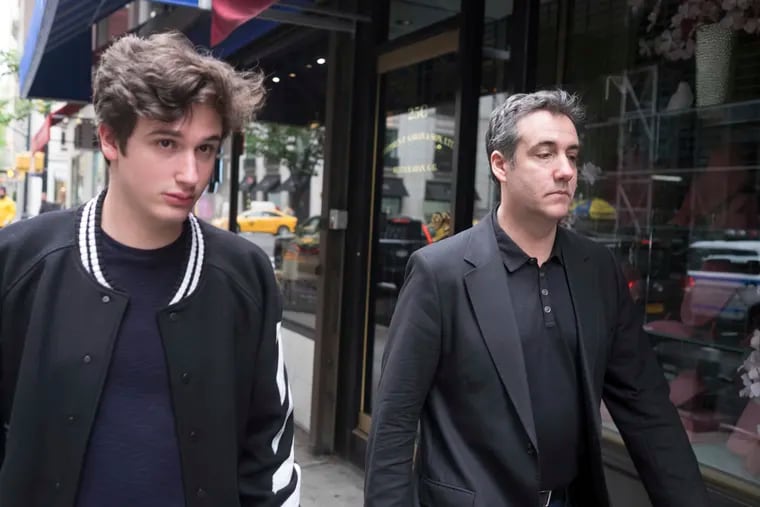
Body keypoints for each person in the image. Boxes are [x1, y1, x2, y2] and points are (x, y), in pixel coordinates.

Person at [364, 90, 710, 507]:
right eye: (545, 154)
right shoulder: (441, 273)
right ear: (500, 165)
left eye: (572, 155)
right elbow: (394, 424)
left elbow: (649, 410)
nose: (565, 170)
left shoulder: (597, 270)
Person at [0, 32, 300, 507]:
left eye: (205, 149)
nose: (191, 173)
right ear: (109, 139)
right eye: (166, 142)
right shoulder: (19, 261)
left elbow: (269, 447)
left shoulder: (245, 275)